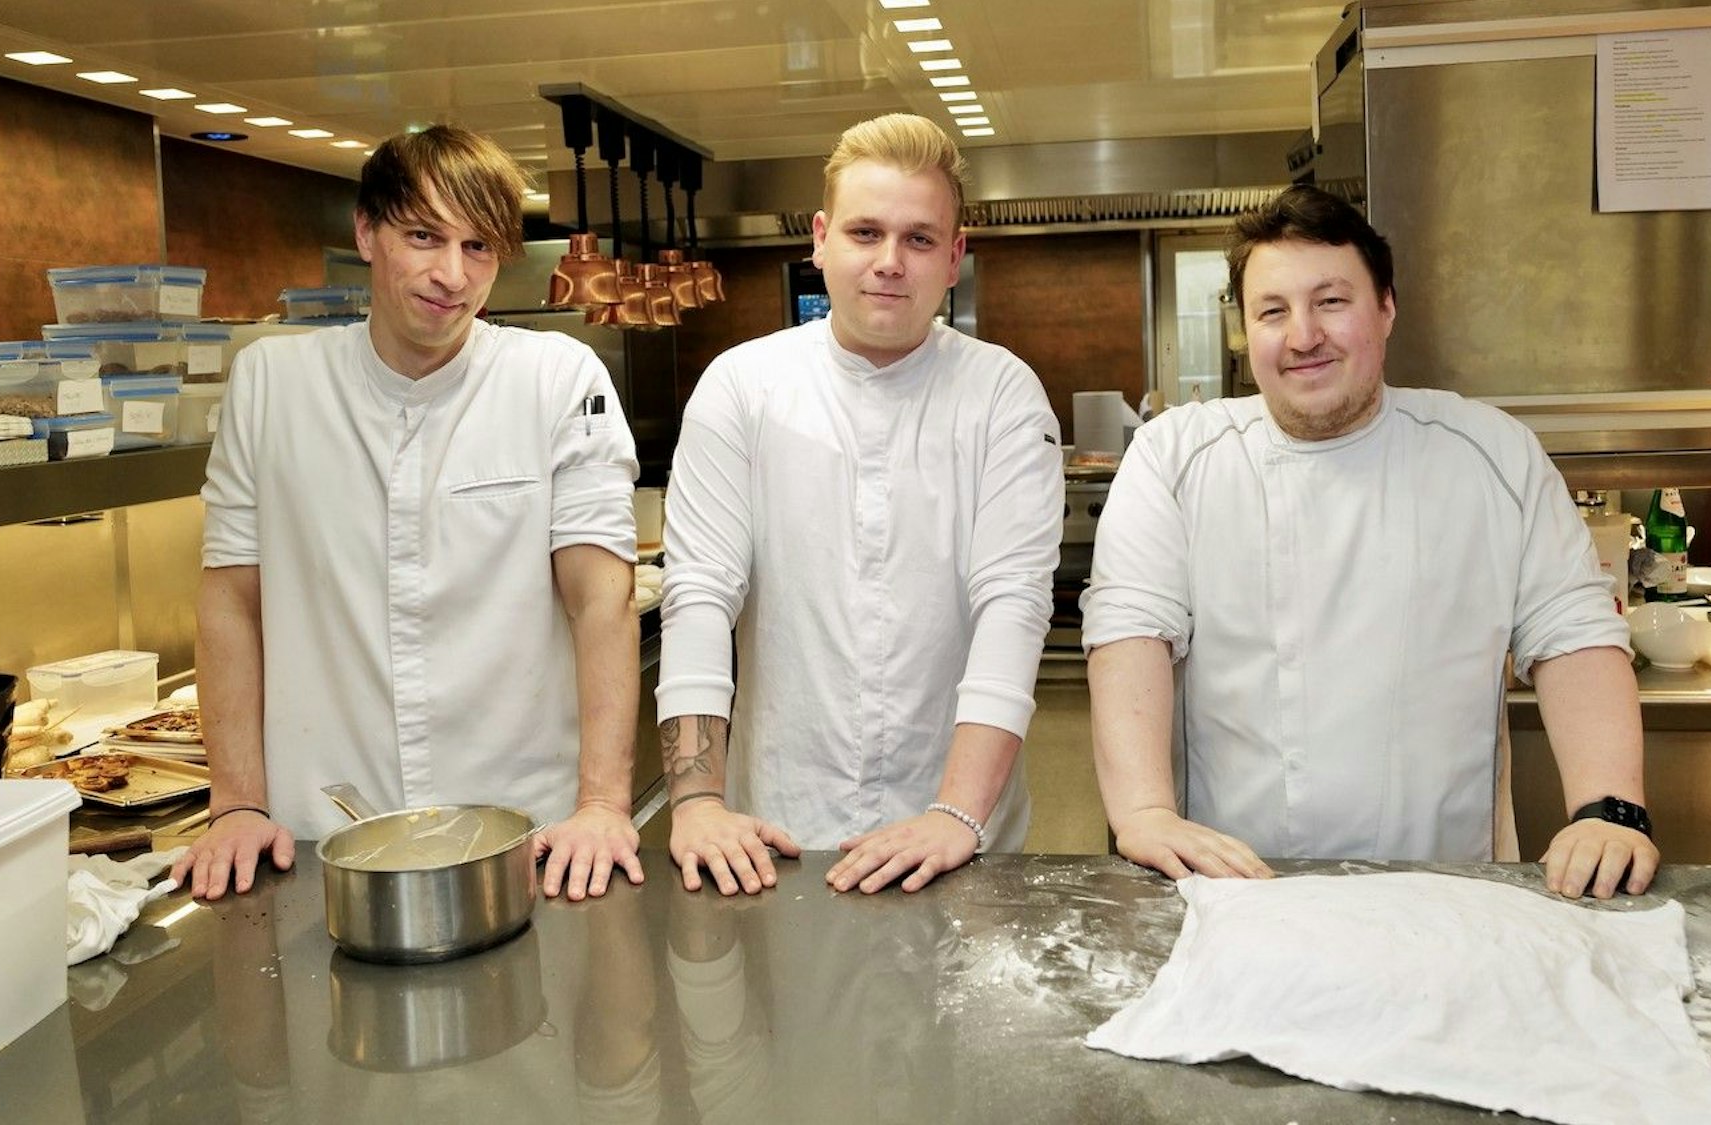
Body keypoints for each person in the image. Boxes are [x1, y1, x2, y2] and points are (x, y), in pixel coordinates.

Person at [1082, 184, 1659, 901]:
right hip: (1236, 890)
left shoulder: (1492, 454)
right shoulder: (1177, 457)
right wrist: (1143, 812)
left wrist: (1610, 808)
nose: (1302, 336)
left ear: (1386, 307)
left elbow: (1573, 633)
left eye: (1331, 301)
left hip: (1446, 890)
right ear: (1244, 330)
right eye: (1272, 311)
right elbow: (1131, 630)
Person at [173, 125, 644, 902]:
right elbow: (230, 598)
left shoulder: (557, 378)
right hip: (325, 834)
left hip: (528, 835)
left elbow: (603, 599)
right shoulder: (271, 387)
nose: (451, 275)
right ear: (366, 231)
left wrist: (602, 803)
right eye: (423, 237)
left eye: (478, 248)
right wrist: (238, 801)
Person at [655, 113, 1063, 896]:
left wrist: (957, 813)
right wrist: (698, 799)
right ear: (820, 238)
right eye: (865, 232)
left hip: (962, 833)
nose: (888, 262)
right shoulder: (743, 388)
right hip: (778, 833)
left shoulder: (1001, 394)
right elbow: (700, 593)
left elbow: (1013, 605)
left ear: (954, 257)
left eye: (918, 239)